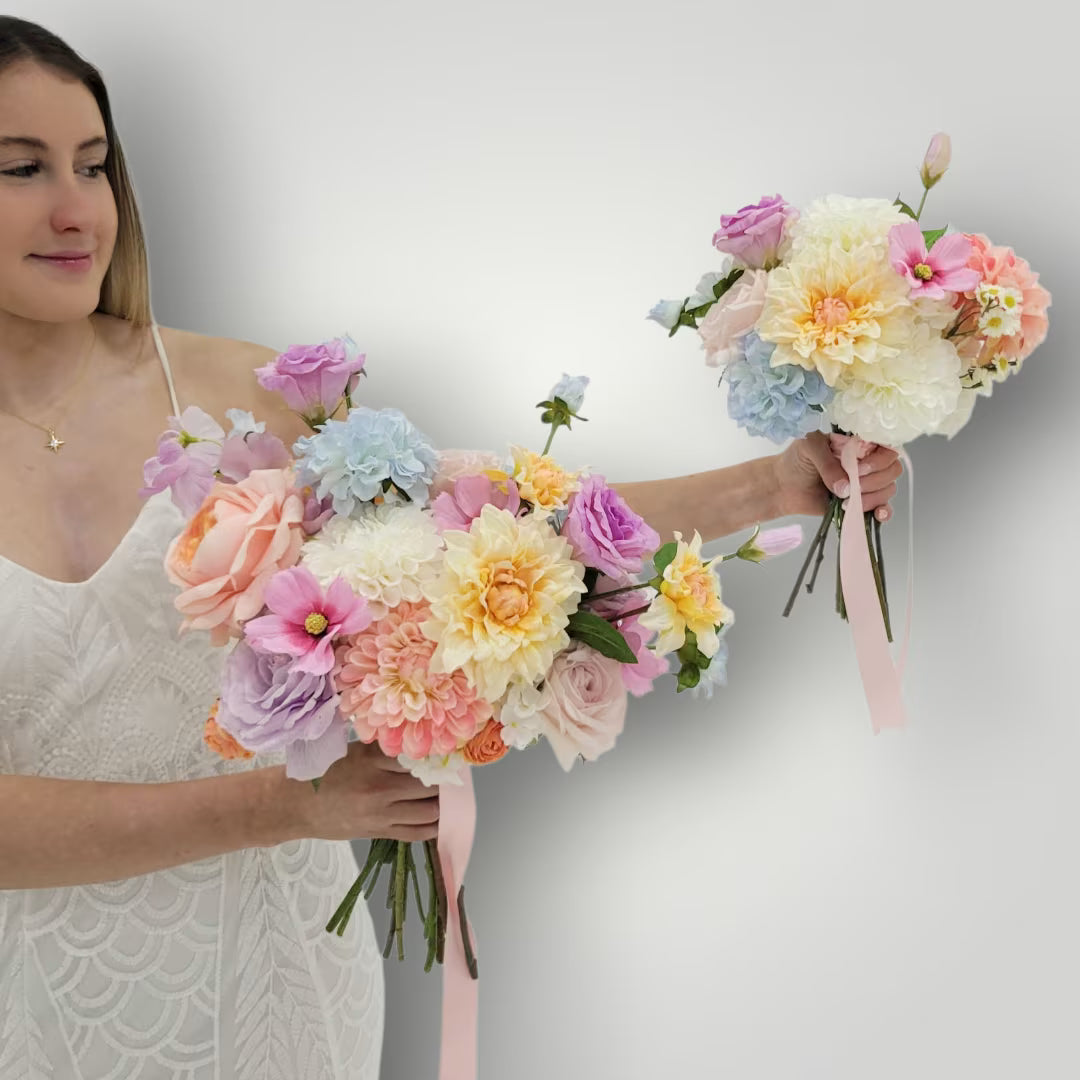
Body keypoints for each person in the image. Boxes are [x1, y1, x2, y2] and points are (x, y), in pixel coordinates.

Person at [0, 16, 901, 1079]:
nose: (76, 211)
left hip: (271, 981)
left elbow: (509, 514)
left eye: (94, 166)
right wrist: (273, 806)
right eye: (20, 169)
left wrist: (774, 483)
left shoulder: (237, 392)